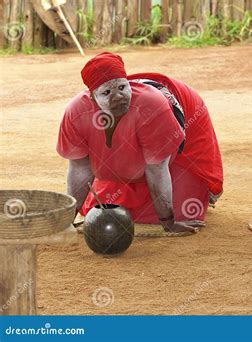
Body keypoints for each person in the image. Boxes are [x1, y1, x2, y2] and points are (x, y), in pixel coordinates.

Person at [57, 52, 223, 233]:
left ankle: (202, 191)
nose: (118, 97)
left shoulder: (151, 106)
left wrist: (169, 223)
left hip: (185, 124)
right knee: (99, 209)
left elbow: (157, 169)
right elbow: (80, 169)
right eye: (107, 93)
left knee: (184, 211)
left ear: (129, 83)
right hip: (135, 137)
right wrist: (67, 221)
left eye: (122, 87)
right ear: (92, 98)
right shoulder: (77, 113)